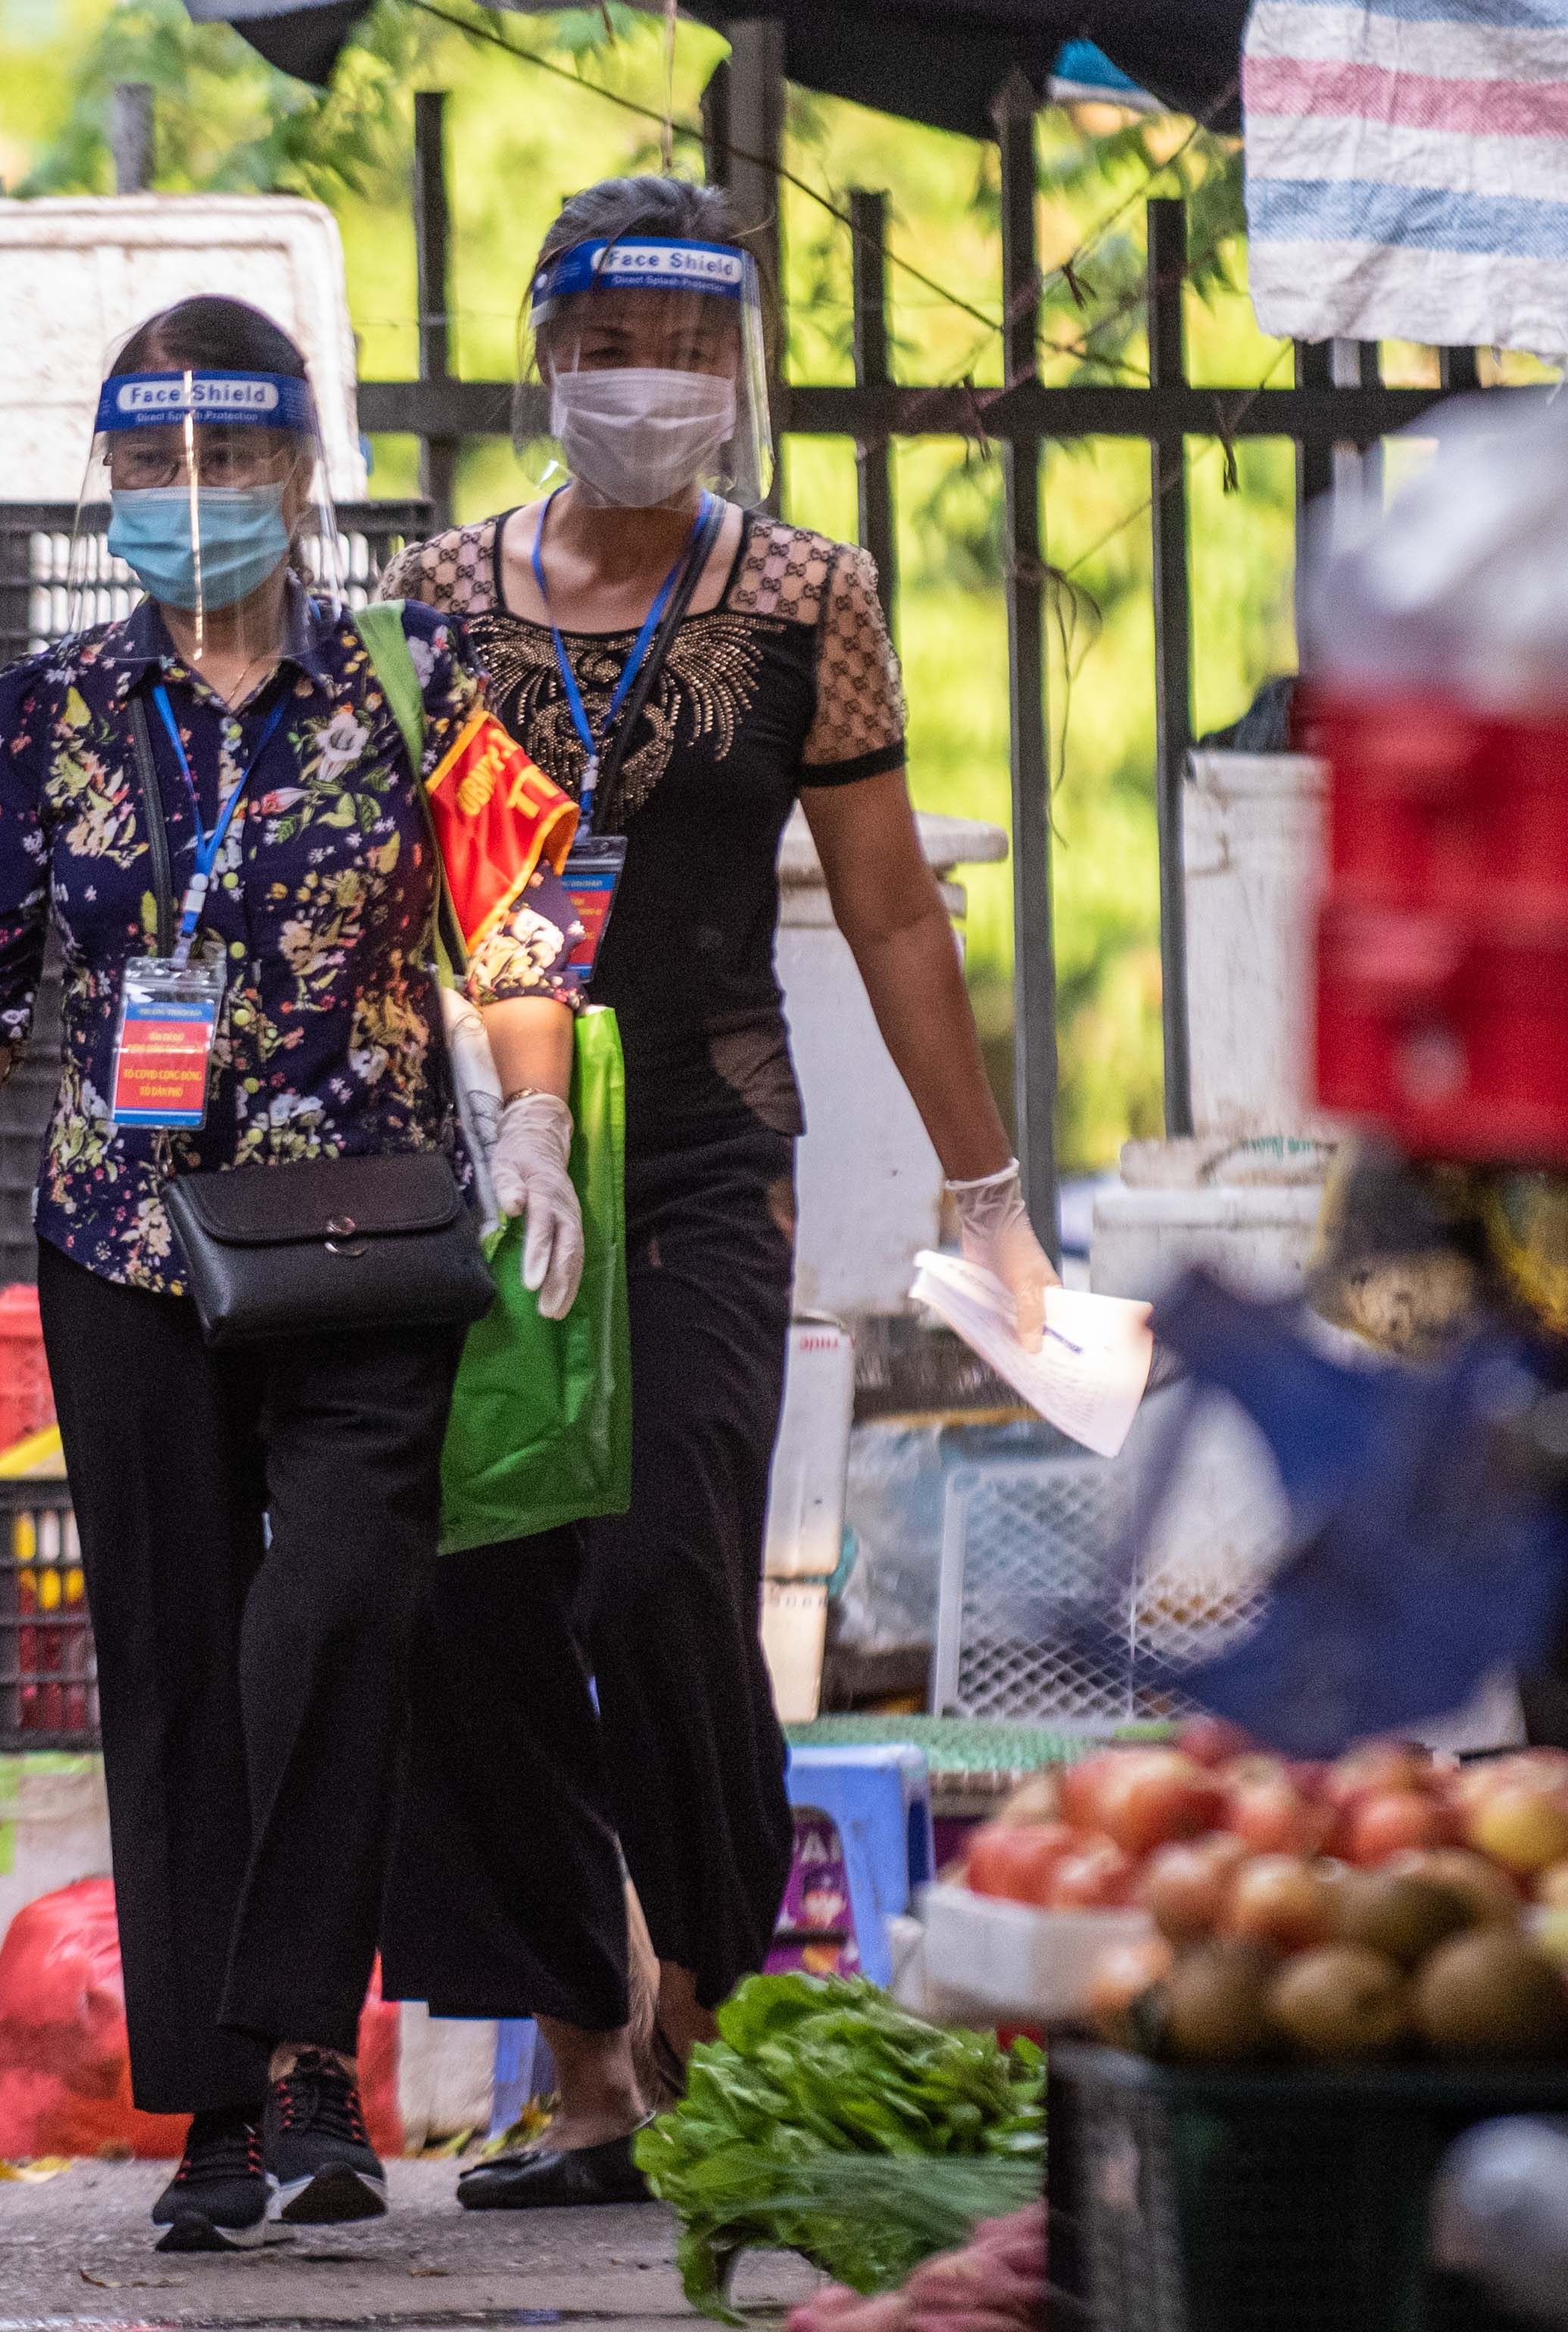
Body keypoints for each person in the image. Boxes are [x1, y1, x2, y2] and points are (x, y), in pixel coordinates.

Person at [0, 297, 589, 2237]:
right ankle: (229, 2112)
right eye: (152, 464)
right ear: (106, 481)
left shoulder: (421, 681)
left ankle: (300, 2047)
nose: (192, 496)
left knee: (330, 1618)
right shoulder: (50, 706)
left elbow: (523, 927)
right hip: (124, 1239)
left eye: (230, 458)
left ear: (299, 471)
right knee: (171, 1661)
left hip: (362, 1236)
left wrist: (533, 1121)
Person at [373, 177, 1058, 2209]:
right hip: (482, 1154)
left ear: (737, 372)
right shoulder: (439, 592)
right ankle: (582, 2059)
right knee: (473, 1592)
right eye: (616, 345)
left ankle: (709, 2011)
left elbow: (892, 910)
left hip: (697, 1146)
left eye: (692, 351)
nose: (652, 384)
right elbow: (421, 889)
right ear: (546, 352)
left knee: (663, 1569)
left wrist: (988, 1190)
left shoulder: (806, 597)